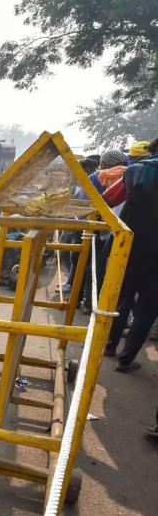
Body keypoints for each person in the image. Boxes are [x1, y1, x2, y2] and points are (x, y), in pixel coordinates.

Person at [105, 137, 158, 377]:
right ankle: (125, 360)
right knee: (148, 308)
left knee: (122, 296)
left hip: (132, 247)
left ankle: (109, 345)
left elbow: (109, 199)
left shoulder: (136, 171)